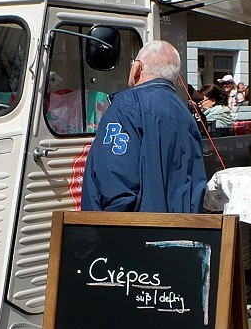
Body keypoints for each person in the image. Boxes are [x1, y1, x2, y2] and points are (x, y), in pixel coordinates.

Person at [81, 40, 205, 213]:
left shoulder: (126, 106)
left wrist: (107, 231)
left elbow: (115, 180)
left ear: (138, 67)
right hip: (176, 231)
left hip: (131, 231)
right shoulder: (185, 114)